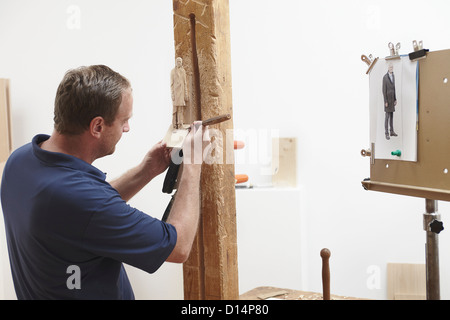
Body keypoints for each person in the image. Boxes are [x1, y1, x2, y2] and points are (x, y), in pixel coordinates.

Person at [0, 65, 210, 299]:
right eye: (124, 120)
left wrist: (145, 171)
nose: (127, 128)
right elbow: (179, 247)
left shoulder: (19, 161)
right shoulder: (82, 199)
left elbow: (82, 216)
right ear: (97, 126)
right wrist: (192, 166)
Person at [170, 57, 189, 129]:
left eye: (180, 61)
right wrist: (172, 94)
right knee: (175, 110)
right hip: (175, 93)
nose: (179, 63)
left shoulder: (183, 71)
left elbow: (185, 83)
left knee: (180, 109)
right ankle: (174, 124)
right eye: (177, 61)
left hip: (181, 93)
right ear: (175, 62)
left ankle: (180, 124)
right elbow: (171, 84)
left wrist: (186, 94)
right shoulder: (172, 71)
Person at [382, 63, 398, 140]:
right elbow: (383, 90)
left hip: (392, 99)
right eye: (390, 67)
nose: (391, 68)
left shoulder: (393, 76)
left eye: (392, 67)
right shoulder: (385, 77)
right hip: (387, 100)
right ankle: (386, 133)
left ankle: (392, 131)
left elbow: (394, 88)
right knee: (387, 117)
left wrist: (395, 99)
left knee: (392, 116)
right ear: (388, 68)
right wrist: (385, 101)